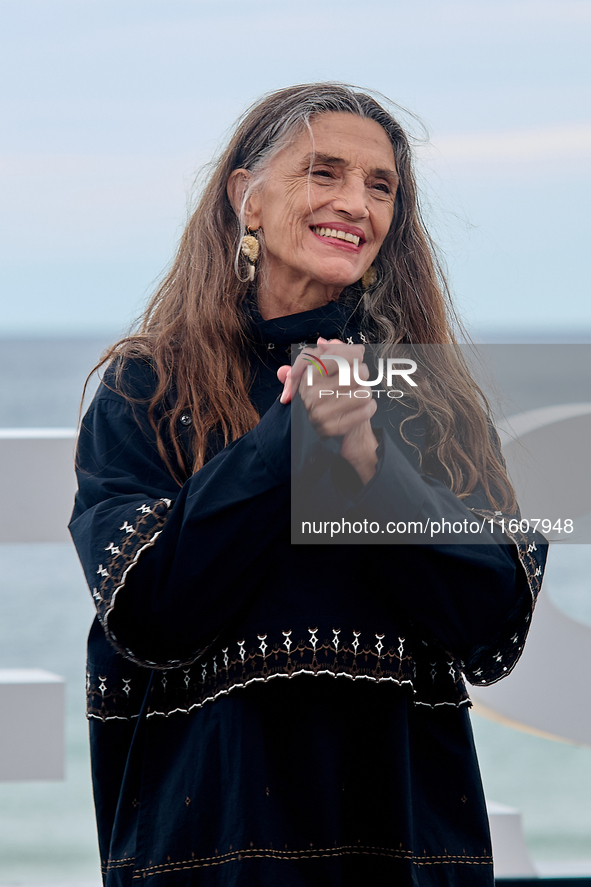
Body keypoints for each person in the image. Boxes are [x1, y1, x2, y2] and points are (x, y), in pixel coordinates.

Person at [69, 83, 546, 887]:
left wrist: (370, 465)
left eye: (380, 185)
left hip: (402, 852)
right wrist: (288, 441)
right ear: (245, 198)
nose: (355, 203)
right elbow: (149, 612)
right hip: (212, 852)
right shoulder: (147, 387)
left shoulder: (428, 397)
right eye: (324, 173)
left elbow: (492, 620)